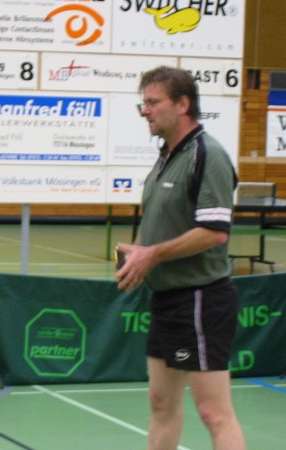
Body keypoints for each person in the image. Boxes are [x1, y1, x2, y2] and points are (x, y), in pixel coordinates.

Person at [115, 66, 245, 450]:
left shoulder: (208, 155)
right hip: (167, 300)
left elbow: (214, 231)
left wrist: (152, 255)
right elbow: (157, 221)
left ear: (183, 104)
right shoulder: (168, 156)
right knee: (161, 402)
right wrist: (137, 252)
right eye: (143, 103)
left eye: (153, 102)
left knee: (214, 413)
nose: (145, 111)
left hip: (200, 301)